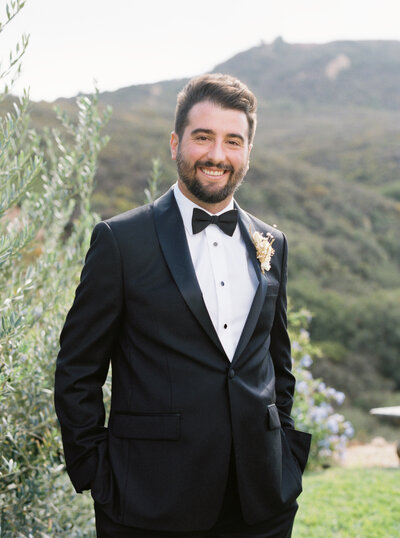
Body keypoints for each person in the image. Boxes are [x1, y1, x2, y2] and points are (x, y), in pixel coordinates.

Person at [54, 73, 311, 538]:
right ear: (176, 143)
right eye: (203, 137)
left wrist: (286, 455)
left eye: (233, 141)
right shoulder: (120, 242)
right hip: (148, 501)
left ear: (248, 152)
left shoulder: (271, 242)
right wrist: (97, 472)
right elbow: (77, 370)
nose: (217, 154)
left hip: (261, 501)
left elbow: (278, 363)